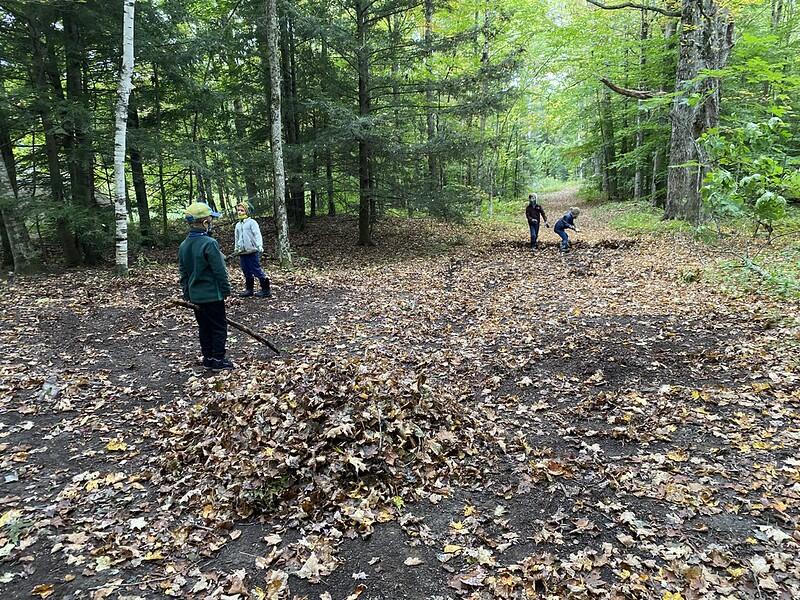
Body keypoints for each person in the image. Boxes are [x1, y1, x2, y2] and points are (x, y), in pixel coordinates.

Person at [178, 202, 234, 371]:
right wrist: (226, 290)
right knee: (218, 326)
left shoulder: (183, 245)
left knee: (204, 327)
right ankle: (218, 359)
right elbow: (220, 271)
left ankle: (207, 358)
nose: (211, 223)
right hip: (212, 295)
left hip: (196, 296)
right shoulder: (209, 243)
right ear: (204, 223)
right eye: (210, 220)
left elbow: (184, 274)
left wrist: (187, 293)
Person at [234, 203, 271, 298]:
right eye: (238, 210)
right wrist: (236, 248)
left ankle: (266, 290)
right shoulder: (238, 225)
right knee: (245, 269)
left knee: (256, 269)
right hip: (242, 252)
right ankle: (249, 289)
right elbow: (237, 237)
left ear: (247, 211)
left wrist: (259, 245)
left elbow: (257, 234)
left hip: (253, 250)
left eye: (242, 210)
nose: (239, 212)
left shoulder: (252, 222)